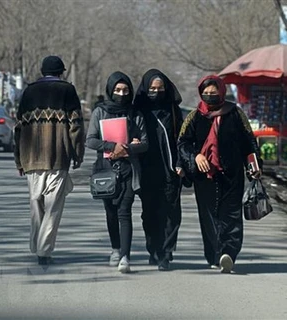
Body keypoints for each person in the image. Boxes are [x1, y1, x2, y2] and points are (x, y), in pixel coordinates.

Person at [177, 75, 261, 273]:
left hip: (231, 174)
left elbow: (249, 142)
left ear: (221, 93)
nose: (209, 97)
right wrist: (196, 157)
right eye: (205, 94)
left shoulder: (235, 114)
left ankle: (229, 254)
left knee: (231, 215)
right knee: (209, 217)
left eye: (213, 93)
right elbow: (182, 143)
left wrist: (254, 166)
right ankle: (215, 255)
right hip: (204, 176)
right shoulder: (194, 116)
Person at [14, 55, 85, 265]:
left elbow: (18, 128)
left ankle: (36, 245)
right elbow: (76, 125)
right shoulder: (67, 90)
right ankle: (43, 251)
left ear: (42, 71)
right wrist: (77, 153)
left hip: (31, 158)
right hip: (57, 157)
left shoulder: (29, 91)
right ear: (61, 71)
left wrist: (19, 160)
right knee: (53, 207)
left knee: (36, 204)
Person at [86, 71, 148, 273]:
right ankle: (115, 248)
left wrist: (130, 147)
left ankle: (125, 256)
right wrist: (112, 146)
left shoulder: (135, 113)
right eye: (118, 90)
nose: (121, 93)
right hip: (106, 170)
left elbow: (145, 143)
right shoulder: (100, 111)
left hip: (130, 169)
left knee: (124, 211)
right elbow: (91, 140)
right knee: (111, 212)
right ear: (111, 90)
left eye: (125, 90)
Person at [134, 69, 185, 271]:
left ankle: (166, 251)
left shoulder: (173, 111)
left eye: (160, 88)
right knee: (149, 214)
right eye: (152, 88)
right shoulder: (138, 111)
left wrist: (181, 163)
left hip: (170, 169)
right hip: (146, 169)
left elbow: (182, 140)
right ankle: (153, 248)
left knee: (172, 213)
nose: (156, 92)